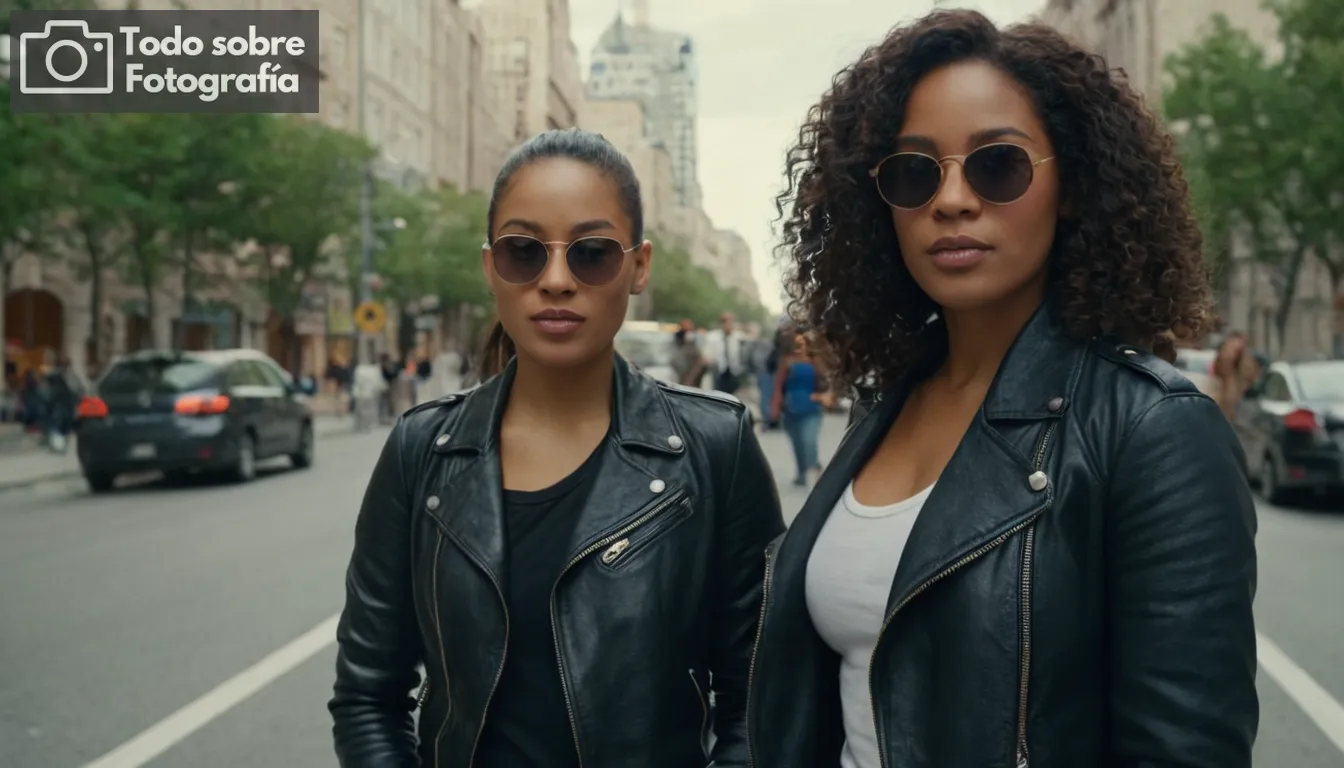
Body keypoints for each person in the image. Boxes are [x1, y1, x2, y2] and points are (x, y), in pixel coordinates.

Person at [747, 10, 1258, 768]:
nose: (951, 200)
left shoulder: (1155, 432)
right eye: (915, 172)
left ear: (1074, 188)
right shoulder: (884, 406)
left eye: (997, 165)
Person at [329, 128, 785, 767]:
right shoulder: (421, 450)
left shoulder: (715, 446)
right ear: (491, 267)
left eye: (592, 252)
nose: (556, 279)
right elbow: (368, 696)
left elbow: (759, 704)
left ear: (638, 266)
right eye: (524, 251)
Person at [771, 330, 832, 486]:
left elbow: (829, 383)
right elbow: (778, 386)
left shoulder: (815, 361)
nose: (800, 346)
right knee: (798, 444)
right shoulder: (787, 361)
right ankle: (801, 473)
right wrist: (775, 411)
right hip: (790, 410)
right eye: (796, 343)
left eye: (802, 343)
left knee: (808, 441)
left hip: (811, 410)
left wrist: (822, 397)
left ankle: (814, 469)